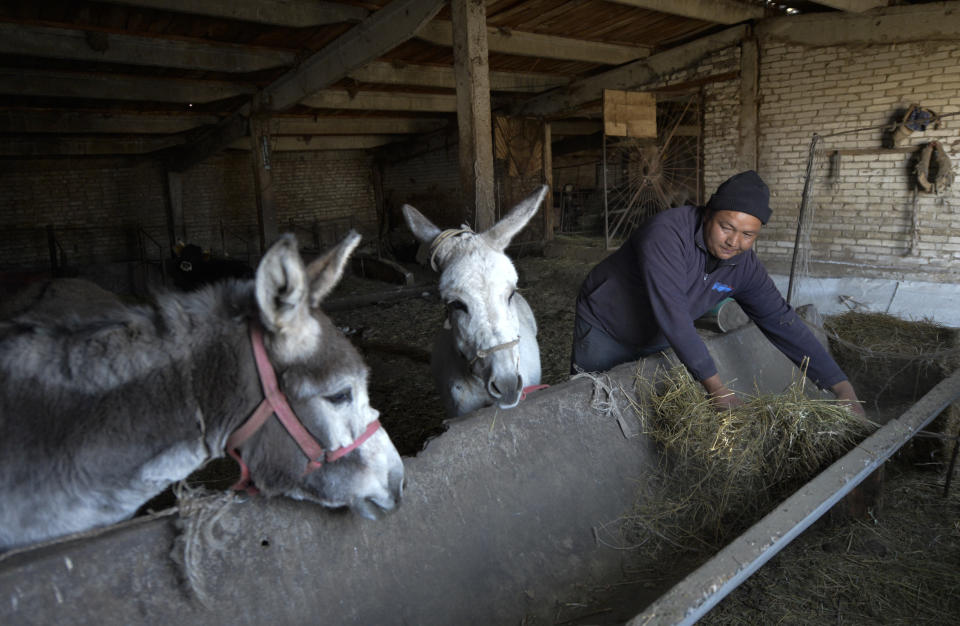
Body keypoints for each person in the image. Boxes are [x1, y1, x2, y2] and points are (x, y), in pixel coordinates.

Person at [571, 170, 864, 416]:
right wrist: (718, 390)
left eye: (748, 235)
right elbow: (674, 314)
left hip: (657, 335)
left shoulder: (744, 267)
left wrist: (839, 385)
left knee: (640, 407)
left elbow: (781, 320)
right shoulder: (666, 233)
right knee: (593, 403)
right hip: (606, 324)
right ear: (708, 213)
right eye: (727, 227)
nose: (734, 242)